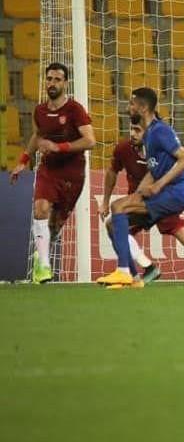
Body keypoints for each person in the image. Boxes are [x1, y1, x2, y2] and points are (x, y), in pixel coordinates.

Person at [98, 88, 184, 288]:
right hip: (163, 195)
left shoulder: (160, 131)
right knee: (113, 222)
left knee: (119, 207)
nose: (128, 108)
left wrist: (160, 185)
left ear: (143, 108)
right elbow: (154, 170)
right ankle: (133, 277)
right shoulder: (148, 134)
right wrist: (140, 193)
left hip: (174, 194)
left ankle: (125, 272)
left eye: (132, 104)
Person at [10, 62, 95, 284]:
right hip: (49, 169)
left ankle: (43, 251)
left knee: (55, 225)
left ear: (65, 83)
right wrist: (23, 161)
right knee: (41, 209)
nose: (52, 83)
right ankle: (44, 267)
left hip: (73, 173)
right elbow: (37, 136)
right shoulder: (39, 111)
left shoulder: (75, 110)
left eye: (57, 79)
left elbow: (90, 141)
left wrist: (60, 147)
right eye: (49, 79)